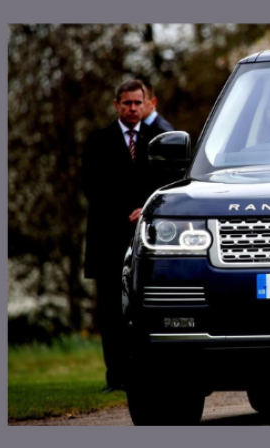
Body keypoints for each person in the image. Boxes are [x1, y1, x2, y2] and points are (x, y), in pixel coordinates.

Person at [82, 80, 169, 392]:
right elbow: (92, 187)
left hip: (146, 237)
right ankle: (115, 376)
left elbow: (168, 183)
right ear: (116, 105)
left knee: (145, 306)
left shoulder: (158, 140)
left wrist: (145, 208)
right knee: (110, 310)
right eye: (127, 103)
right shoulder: (98, 141)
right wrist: (125, 211)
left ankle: (145, 375)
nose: (133, 108)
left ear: (146, 104)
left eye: (137, 103)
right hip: (108, 238)